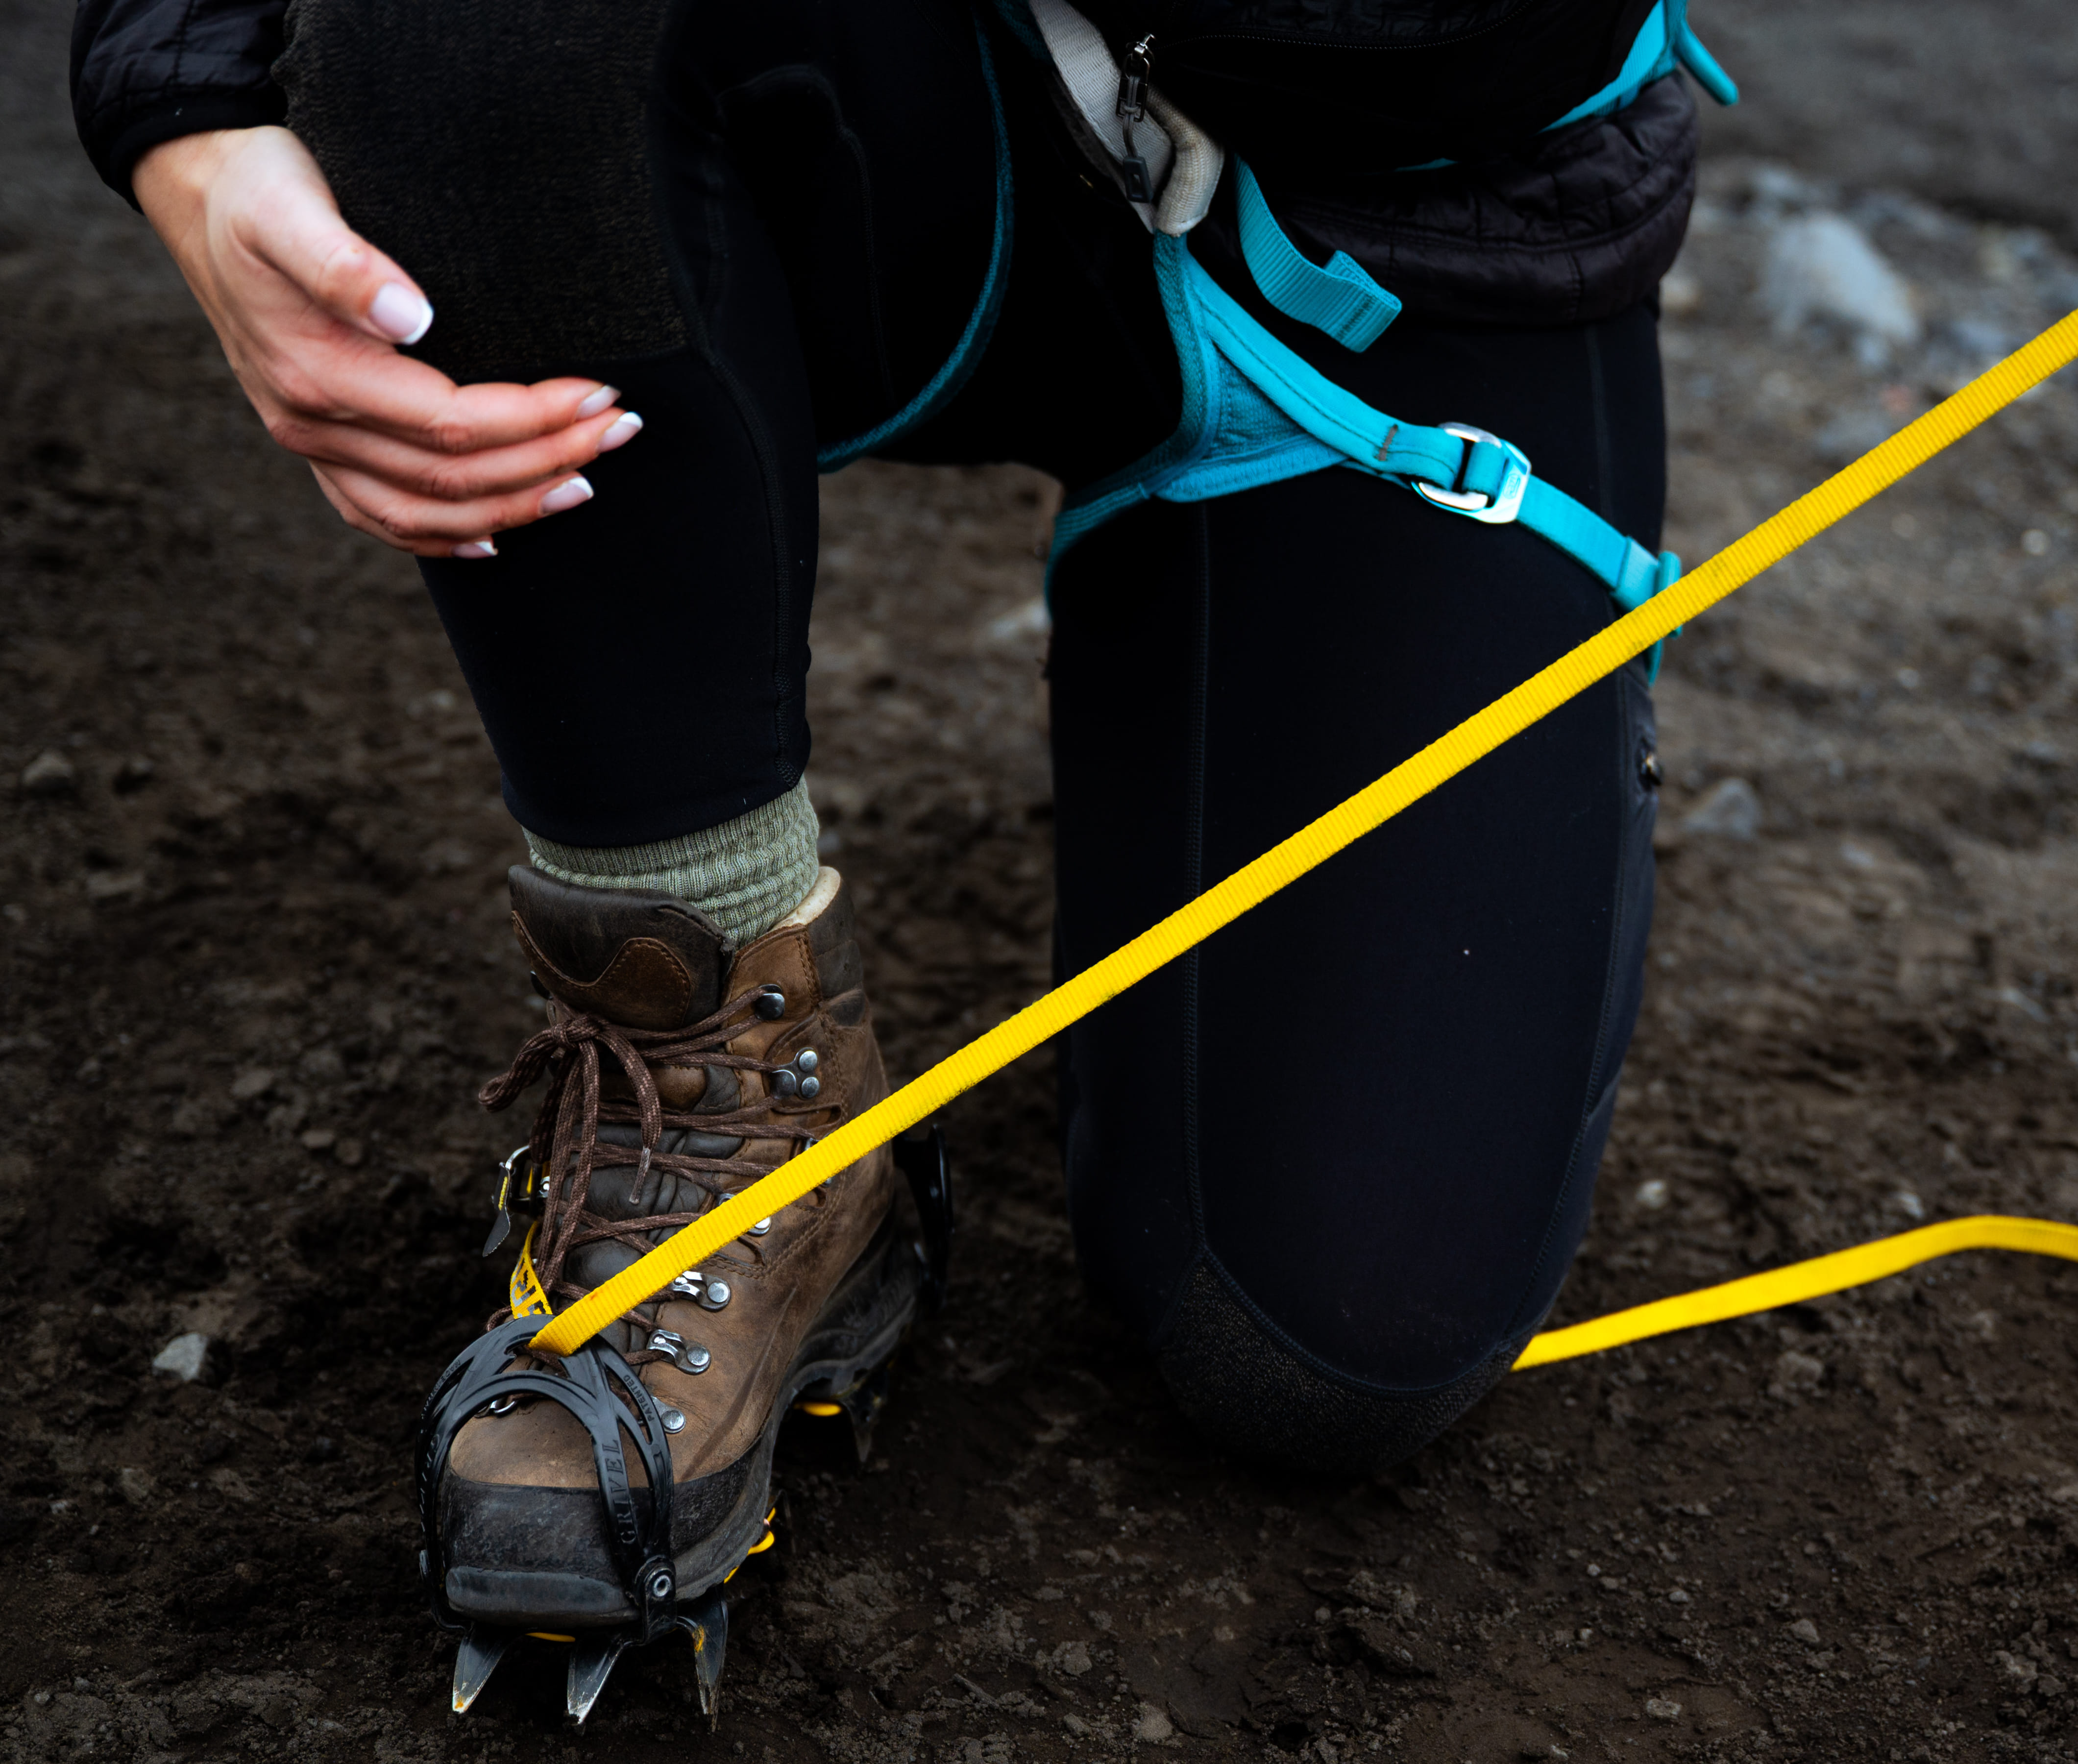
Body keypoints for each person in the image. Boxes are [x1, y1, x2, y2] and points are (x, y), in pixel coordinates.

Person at [72, 0, 1705, 1678]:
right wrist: (181, 94)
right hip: (850, 106)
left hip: (1409, 207)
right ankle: (715, 1035)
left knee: (1323, 1333)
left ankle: (1290, 649)